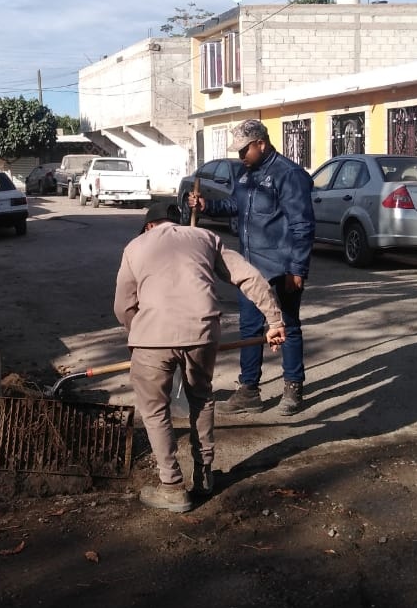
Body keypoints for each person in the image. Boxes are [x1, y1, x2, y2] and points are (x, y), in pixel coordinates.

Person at [113, 200, 287, 514]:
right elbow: (248, 277)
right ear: (176, 222)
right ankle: (205, 474)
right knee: (202, 398)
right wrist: (274, 321)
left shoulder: (135, 246)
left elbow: (123, 306)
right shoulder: (204, 238)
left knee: (155, 412)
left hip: (152, 339)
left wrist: (136, 333)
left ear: (150, 225)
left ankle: (172, 487)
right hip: (202, 334)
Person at [187, 118, 315, 416]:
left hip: (280, 267)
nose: (240, 156)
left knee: (287, 326)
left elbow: (302, 225)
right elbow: (236, 206)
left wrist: (297, 269)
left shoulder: (288, 175)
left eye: (245, 149)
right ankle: (249, 391)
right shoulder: (246, 174)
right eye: (238, 151)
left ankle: (293, 387)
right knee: (249, 329)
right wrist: (207, 206)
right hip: (250, 269)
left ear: (261, 143)